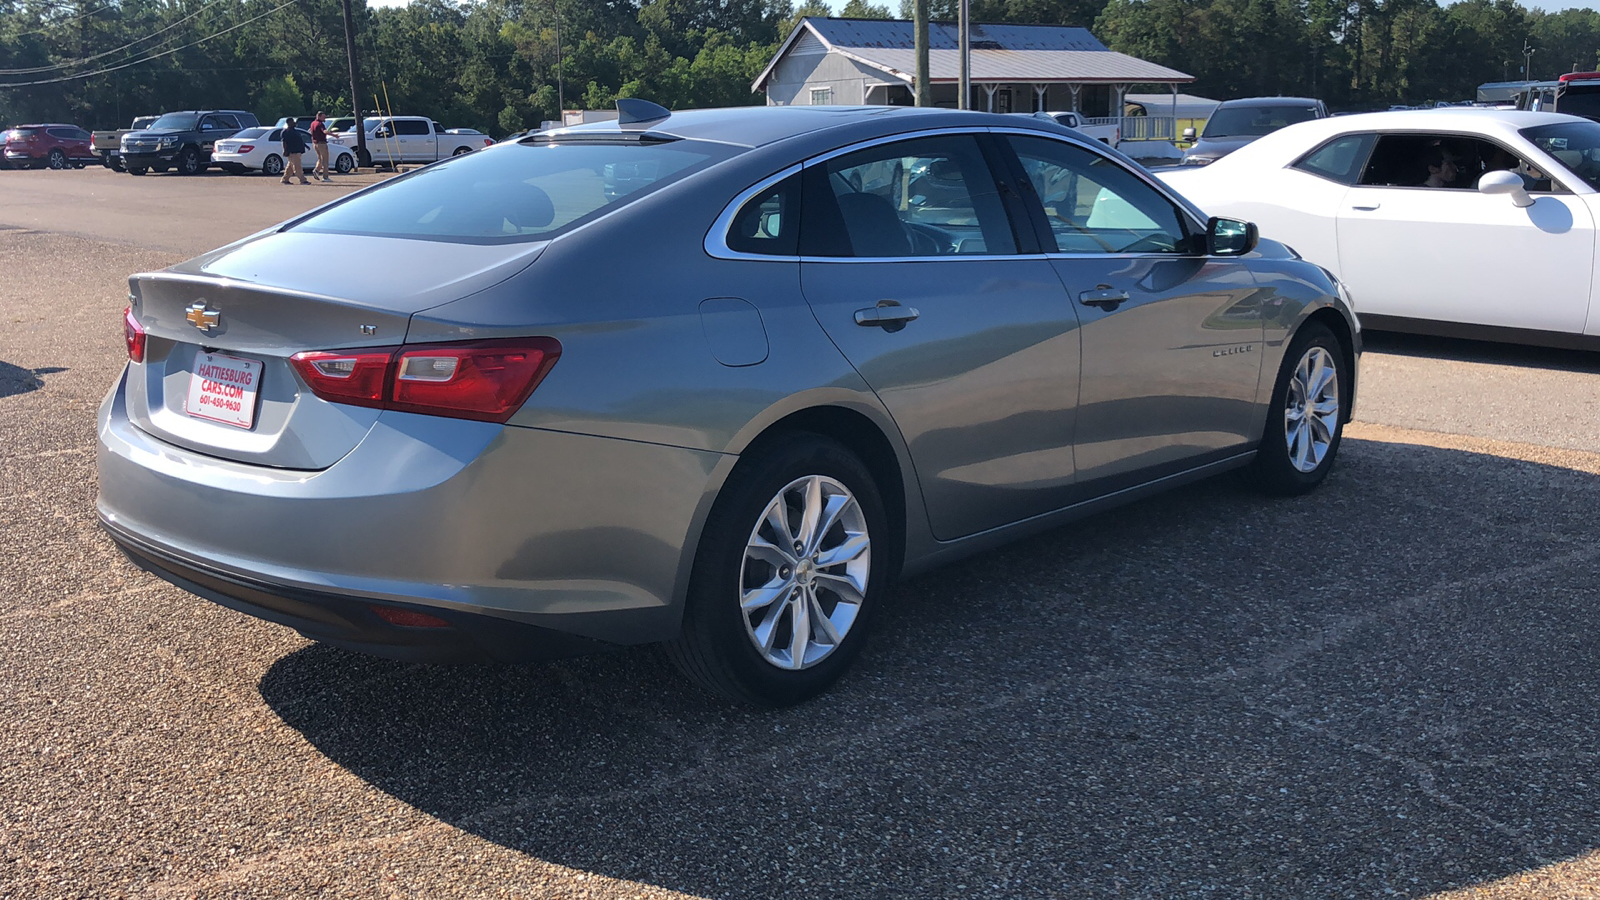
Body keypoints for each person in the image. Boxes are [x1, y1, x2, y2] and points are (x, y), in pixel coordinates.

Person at [280, 118, 310, 185]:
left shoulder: (294, 131)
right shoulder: (286, 132)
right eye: (293, 122)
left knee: (290, 167)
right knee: (297, 166)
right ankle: (303, 180)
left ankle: (285, 179)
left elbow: (299, 140)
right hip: (292, 152)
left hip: (298, 151)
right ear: (289, 123)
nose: (294, 123)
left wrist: (306, 146)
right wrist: (285, 150)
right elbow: (284, 142)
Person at [309, 111, 331, 182]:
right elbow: (324, 131)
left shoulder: (313, 123)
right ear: (319, 116)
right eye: (323, 116)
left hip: (315, 143)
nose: (324, 118)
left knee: (320, 159)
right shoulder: (320, 124)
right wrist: (334, 135)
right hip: (322, 143)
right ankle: (325, 177)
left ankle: (316, 170)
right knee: (325, 160)